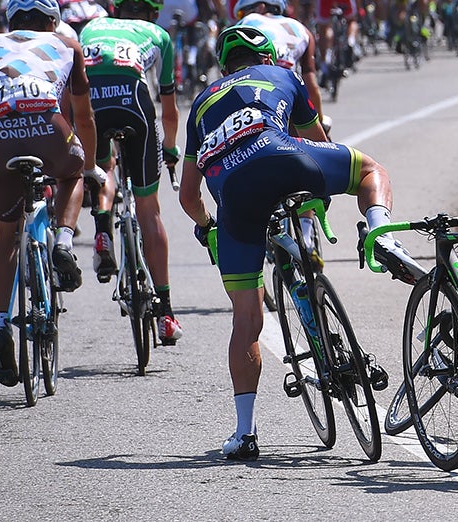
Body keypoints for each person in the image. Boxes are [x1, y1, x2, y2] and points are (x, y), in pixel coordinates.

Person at [177, 24, 417, 460]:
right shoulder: (283, 74)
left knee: (246, 317)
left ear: (222, 65)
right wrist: (316, 199)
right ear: (267, 58)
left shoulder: (200, 102)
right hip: (286, 159)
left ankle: (245, 432)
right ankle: (381, 235)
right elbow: (316, 141)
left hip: (233, 196)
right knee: (369, 171)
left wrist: (207, 226)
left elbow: (187, 195)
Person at [0, 0, 106, 386]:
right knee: (71, 173)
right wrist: (93, 167)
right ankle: (63, 241)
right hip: (47, 126)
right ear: (52, 21)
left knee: (5, 236)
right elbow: (84, 117)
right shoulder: (65, 43)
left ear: (11, 22)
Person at [80, 0, 183, 344]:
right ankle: (167, 313)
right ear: (153, 12)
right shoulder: (159, 36)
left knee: (104, 166)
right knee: (148, 209)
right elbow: (169, 110)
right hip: (133, 100)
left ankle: (103, 228)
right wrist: (169, 149)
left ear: (115, 8)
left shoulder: (92, 26)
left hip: (92, 101)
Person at [234, 0, 324, 119]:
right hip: (288, 92)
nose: (240, 18)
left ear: (260, 7)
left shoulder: (247, 22)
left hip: (255, 93)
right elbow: (311, 84)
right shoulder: (302, 29)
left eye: (242, 13)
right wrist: (321, 121)